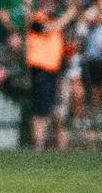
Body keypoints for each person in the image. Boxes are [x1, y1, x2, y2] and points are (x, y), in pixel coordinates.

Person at [20, 9, 76, 150]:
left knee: (55, 109)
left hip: (54, 71)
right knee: (40, 108)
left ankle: (57, 145)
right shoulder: (36, 21)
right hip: (40, 69)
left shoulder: (57, 26)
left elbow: (64, 47)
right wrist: (68, 15)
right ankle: (38, 143)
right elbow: (49, 28)